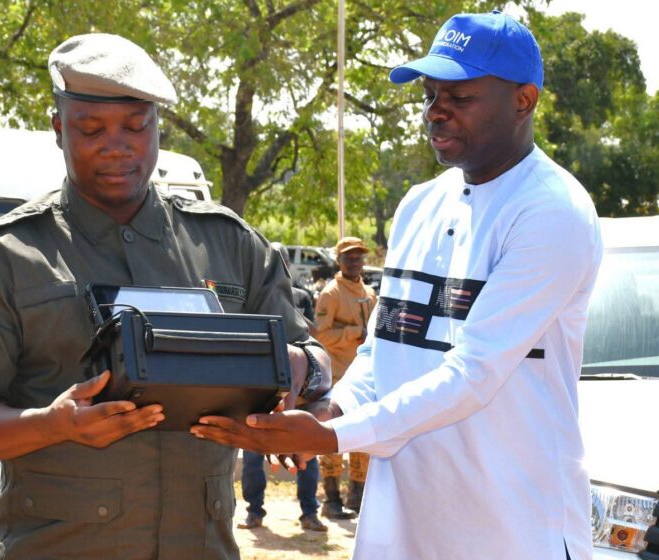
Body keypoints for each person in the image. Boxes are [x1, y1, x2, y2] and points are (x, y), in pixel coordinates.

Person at [191, 11, 602, 560]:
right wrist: (329, 412)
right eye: (431, 95)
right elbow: (386, 351)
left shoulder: (553, 212)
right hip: (403, 525)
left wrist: (332, 438)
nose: (437, 112)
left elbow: (472, 376)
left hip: (513, 529)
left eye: (459, 97)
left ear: (524, 100)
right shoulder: (419, 204)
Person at [0, 33, 331, 560]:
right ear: (58, 129)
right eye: (91, 129)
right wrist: (52, 424)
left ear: (157, 128)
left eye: (137, 127)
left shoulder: (229, 244)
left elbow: (309, 356)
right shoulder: (7, 256)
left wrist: (307, 385)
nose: (117, 146)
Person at [237, 241, 326, 532]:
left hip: (297, 389)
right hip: (258, 387)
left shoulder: (301, 296)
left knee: (303, 451)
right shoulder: (251, 295)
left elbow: (314, 331)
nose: (279, 267)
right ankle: (254, 511)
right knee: (253, 454)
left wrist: (293, 321)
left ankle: (310, 512)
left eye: (283, 262)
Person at [314, 237, 377, 517]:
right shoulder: (331, 293)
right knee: (334, 438)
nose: (355, 262)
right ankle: (331, 500)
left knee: (364, 438)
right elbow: (320, 335)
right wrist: (352, 333)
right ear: (338, 260)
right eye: (349, 257)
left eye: (359, 257)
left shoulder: (370, 293)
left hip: (365, 378)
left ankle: (357, 497)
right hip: (338, 378)